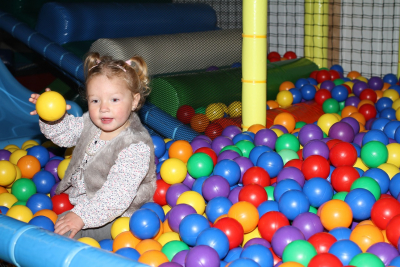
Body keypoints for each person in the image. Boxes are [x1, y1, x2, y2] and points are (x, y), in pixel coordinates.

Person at [29, 52, 157, 241]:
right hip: (85, 202)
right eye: (95, 100)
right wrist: (52, 118)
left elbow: (116, 196)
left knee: (61, 233)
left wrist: (81, 216)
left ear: (134, 101)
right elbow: (66, 134)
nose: (103, 108)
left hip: (121, 214)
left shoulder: (135, 145)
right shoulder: (91, 122)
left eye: (114, 100)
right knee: (46, 224)